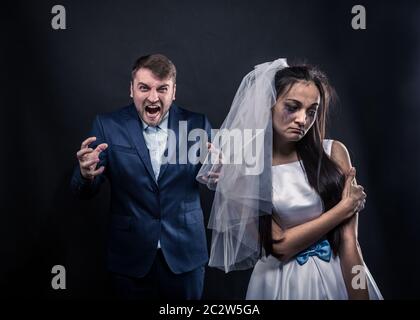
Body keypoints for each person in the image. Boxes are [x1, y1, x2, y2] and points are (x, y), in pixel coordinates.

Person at [197, 58, 383, 299]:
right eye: (292, 107)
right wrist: (343, 209)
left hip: (337, 273)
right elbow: (279, 246)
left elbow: (350, 241)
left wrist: (361, 296)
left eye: (311, 111)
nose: (302, 120)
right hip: (280, 283)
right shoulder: (245, 169)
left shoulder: (334, 153)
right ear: (269, 105)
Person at [71, 54, 212, 299]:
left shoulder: (196, 124)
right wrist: (85, 175)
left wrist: (220, 174)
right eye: (144, 88)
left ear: (174, 91)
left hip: (185, 256)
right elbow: (83, 191)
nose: (153, 97)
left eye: (162, 89)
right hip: (130, 259)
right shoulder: (108, 126)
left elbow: (213, 178)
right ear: (131, 89)